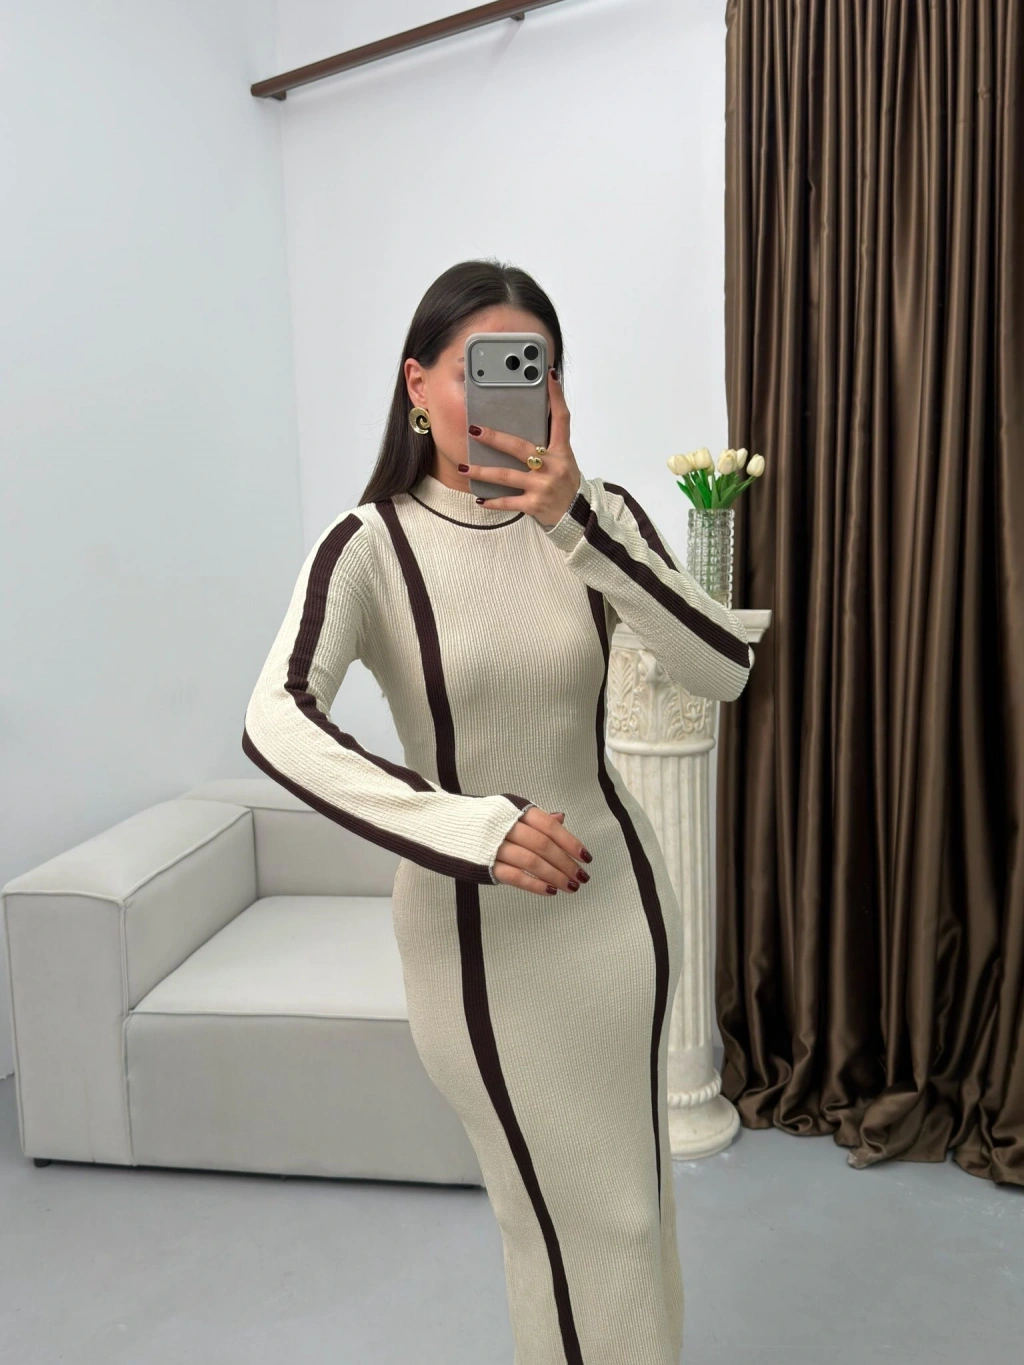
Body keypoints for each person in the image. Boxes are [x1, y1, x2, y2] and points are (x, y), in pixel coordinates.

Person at [242, 259, 753, 1364]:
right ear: (416, 385)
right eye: (484, 366)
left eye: (536, 367)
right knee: (567, 1227)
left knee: (635, 1208)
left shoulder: (596, 516)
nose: (513, 389)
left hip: (621, 915)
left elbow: (720, 665)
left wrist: (578, 528)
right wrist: (469, 828)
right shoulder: (370, 546)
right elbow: (275, 718)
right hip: (479, 942)